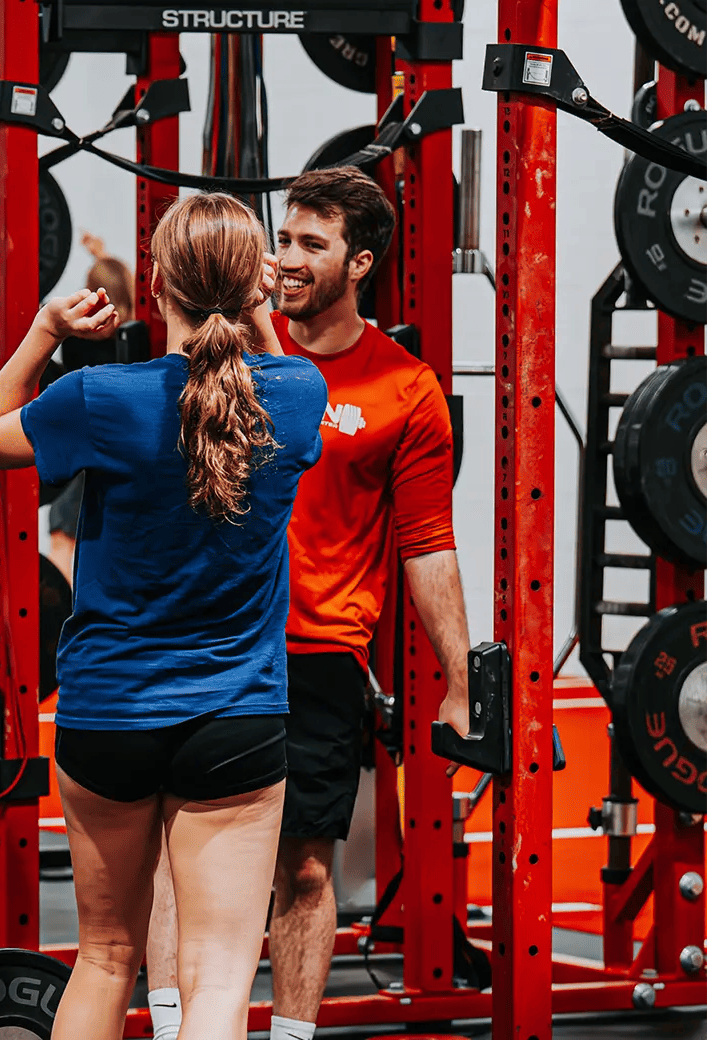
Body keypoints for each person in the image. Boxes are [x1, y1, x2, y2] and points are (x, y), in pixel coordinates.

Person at [0, 193, 327, 1040]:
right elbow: (270, 372)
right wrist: (260, 312)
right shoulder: (299, 393)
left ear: (157, 280)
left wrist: (47, 331)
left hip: (109, 714)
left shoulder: (100, 396)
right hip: (234, 718)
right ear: (253, 285)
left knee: (107, 957)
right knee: (219, 976)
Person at [139, 167, 474, 1040]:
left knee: (308, 871)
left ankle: (290, 1036)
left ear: (358, 263)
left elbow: (428, 543)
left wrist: (461, 679)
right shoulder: (223, 355)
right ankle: (181, 1030)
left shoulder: (406, 390)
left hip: (319, 650)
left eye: (309, 245)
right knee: (179, 857)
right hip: (210, 637)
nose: (285, 259)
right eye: (282, 238)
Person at [46, 232, 138, 584]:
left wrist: (100, 256)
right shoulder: (119, 340)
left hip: (98, 455)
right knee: (65, 542)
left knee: (75, 543)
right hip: (93, 457)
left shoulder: (86, 341)